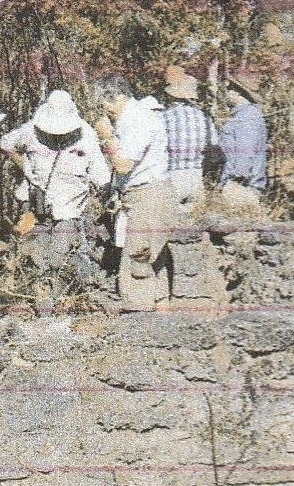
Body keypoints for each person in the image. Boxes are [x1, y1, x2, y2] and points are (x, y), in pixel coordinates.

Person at [0, 90, 112, 302]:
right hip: (35, 206)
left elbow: (101, 176)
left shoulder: (86, 136)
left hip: (69, 209)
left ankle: (60, 300)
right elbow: (6, 144)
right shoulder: (30, 131)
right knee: (34, 254)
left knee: (60, 257)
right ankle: (37, 299)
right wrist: (25, 168)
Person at [93, 74, 177, 311]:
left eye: (105, 104)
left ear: (118, 97)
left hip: (148, 195)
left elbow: (123, 165)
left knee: (137, 258)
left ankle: (139, 319)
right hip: (143, 194)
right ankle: (162, 314)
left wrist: (107, 137)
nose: (105, 110)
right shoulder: (132, 119)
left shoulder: (139, 120)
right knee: (153, 259)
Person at [162, 65, 218, 213]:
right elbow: (214, 151)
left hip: (171, 177)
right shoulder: (205, 118)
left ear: (170, 94)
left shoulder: (163, 118)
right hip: (196, 177)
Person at [219, 72, 268, 207]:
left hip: (241, 187)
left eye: (229, 89)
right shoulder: (245, 114)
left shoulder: (247, 117)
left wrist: (236, 179)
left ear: (238, 92)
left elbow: (246, 150)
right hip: (242, 186)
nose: (227, 92)